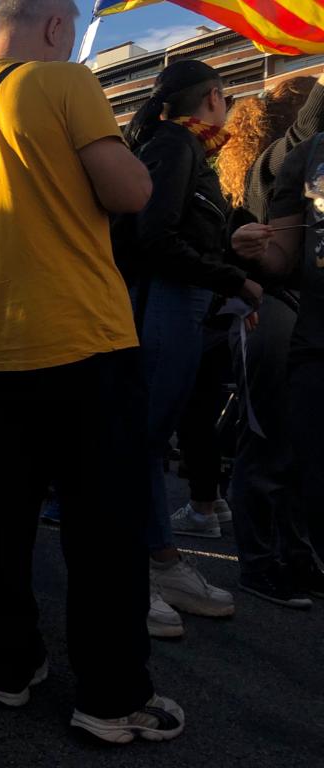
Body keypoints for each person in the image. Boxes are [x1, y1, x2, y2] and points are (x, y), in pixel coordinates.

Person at [0, 0, 183, 744]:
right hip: (83, 335)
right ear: (56, 26)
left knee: (3, 524)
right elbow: (129, 191)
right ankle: (111, 698)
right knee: (105, 530)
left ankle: (10, 670)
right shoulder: (64, 81)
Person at [120, 60, 264, 636]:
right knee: (144, 440)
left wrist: (229, 249)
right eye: (225, 98)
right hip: (165, 306)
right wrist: (235, 277)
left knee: (149, 441)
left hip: (176, 305)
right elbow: (153, 239)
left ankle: (159, 561)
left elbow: (174, 232)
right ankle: (142, 568)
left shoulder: (181, 148)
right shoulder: (177, 146)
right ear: (211, 96)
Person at [213, 76, 324, 607]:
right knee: (267, 443)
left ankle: (296, 556)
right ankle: (260, 563)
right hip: (269, 312)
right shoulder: (280, 159)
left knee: (291, 447)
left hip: (283, 310)